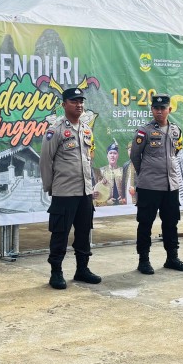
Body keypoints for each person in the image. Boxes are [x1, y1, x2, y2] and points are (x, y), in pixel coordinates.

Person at [39, 86, 101, 289]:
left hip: (84, 192)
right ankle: (55, 272)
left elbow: (88, 159)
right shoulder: (55, 130)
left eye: (81, 101)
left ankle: (82, 269)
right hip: (64, 192)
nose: (79, 105)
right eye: (74, 102)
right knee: (60, 234)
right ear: (64, 104)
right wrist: (50, 187)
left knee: (84, 233)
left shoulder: (86, 129)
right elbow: (45, 161)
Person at [129, 94, 183, 274]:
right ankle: (144, 261)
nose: (159, 111)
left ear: (169, 109)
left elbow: (176, 151)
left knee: (171, 223)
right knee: (145, 223)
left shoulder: (176, 130)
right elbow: (135, 156)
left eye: (163, 108)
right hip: (149, 186)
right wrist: (146, 172)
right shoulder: (144, 131)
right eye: (156, 108)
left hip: (171, 186)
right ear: (152, 110)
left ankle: (172, 258)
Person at [94, 142, 130, 206]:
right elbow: (97, 194)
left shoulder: (123, 170)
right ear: (107, 156)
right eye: (110, 153)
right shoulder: (101, 171)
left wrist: (124, 199)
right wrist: (106, 202)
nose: (112, 155)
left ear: (118, 155)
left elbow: (128, 188)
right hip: (106, 208)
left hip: (122, 207)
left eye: (115, 153)